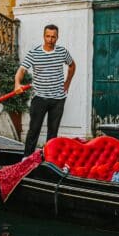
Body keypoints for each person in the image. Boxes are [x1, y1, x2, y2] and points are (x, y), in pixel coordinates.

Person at [15, 24, 77, 155]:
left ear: (57, 37)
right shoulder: (35, 52)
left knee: (53, 132)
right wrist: (17, 84)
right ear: (44, 36)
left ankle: (49, 158)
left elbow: (72, 65)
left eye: (53, 37)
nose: (50, 39)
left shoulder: (62, 52)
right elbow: (21, 70)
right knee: (34, 129)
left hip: (58, 99)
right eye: (48, 36)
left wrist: (67, 82)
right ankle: (26, 158)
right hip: (39, 98)